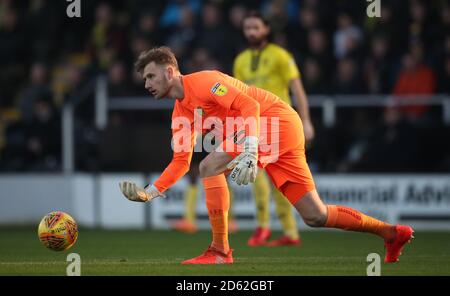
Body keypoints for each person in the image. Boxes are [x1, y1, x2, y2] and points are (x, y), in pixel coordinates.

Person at [119, 46, 414, 265]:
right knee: (315, 215)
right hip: (278, 130)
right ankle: (391, 233)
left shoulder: (205, 81)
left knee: (209, 166)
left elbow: (250, 105)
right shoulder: (180, 112)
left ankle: (220, 251)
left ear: (170, 71)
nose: (146, 84)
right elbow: (181, 162)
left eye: (151, 76)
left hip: (276, 122)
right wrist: (151, 192)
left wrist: (248, 147)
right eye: (145, 78)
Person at [232, 11, 314, 246]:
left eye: (256, 28)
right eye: (247, 28)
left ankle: (287, 231)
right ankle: (266, 228)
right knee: (254, 173)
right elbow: (238, 97)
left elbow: (298, 90)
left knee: (278, 180)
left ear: (266, 29)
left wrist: (306, 120)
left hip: (280, 124)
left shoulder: (281, 56)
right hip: (255, 125)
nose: (251, 32)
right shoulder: (240, 61)